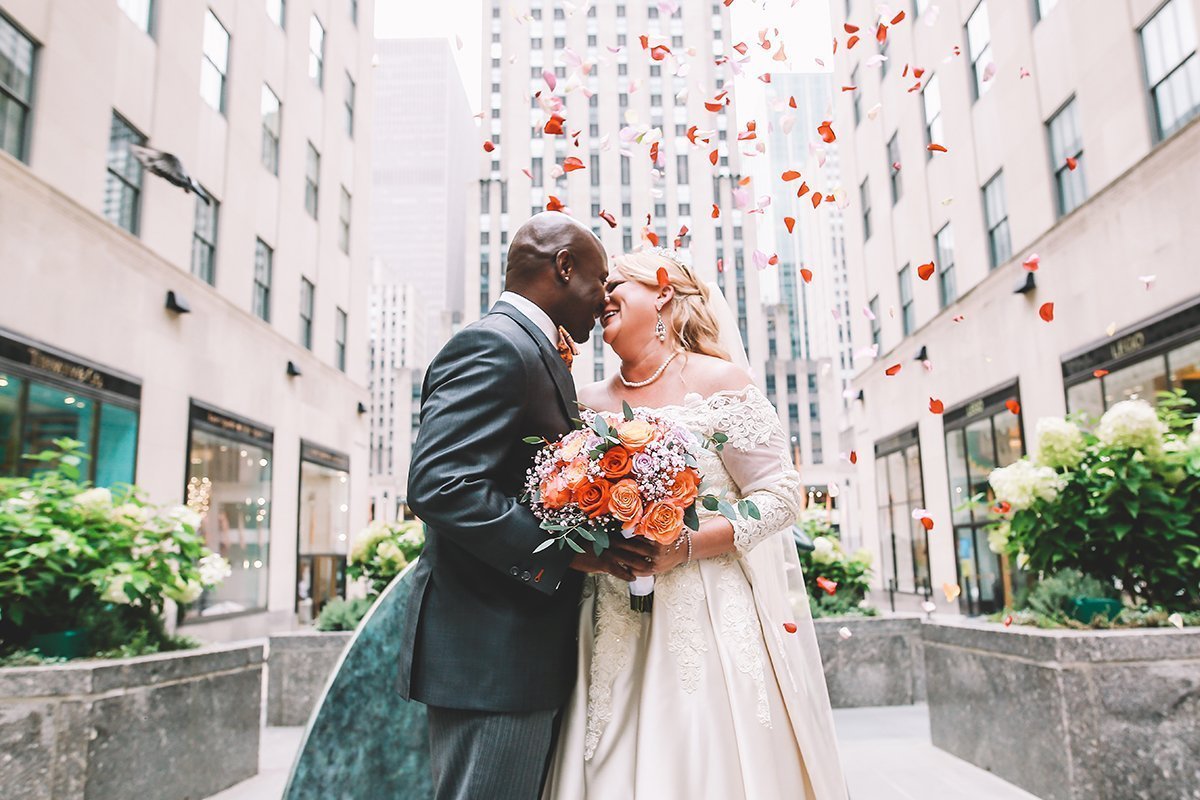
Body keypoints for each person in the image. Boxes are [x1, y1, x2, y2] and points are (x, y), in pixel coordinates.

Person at [542, 247, 851, 799]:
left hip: (709, 609)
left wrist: (686, 546)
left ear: (662, 291)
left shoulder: (718, 381)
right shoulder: (585, 402)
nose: (600, 296)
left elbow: (781, 493)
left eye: (617, 283)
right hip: (610, 613)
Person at [399, 212, 637, 800]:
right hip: (490, 657)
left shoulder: (531, 349)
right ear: (563, 267)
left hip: (519, 652)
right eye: (600, 280)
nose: (604, 298)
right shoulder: (493, 344)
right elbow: (440, 485)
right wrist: (569, 555)